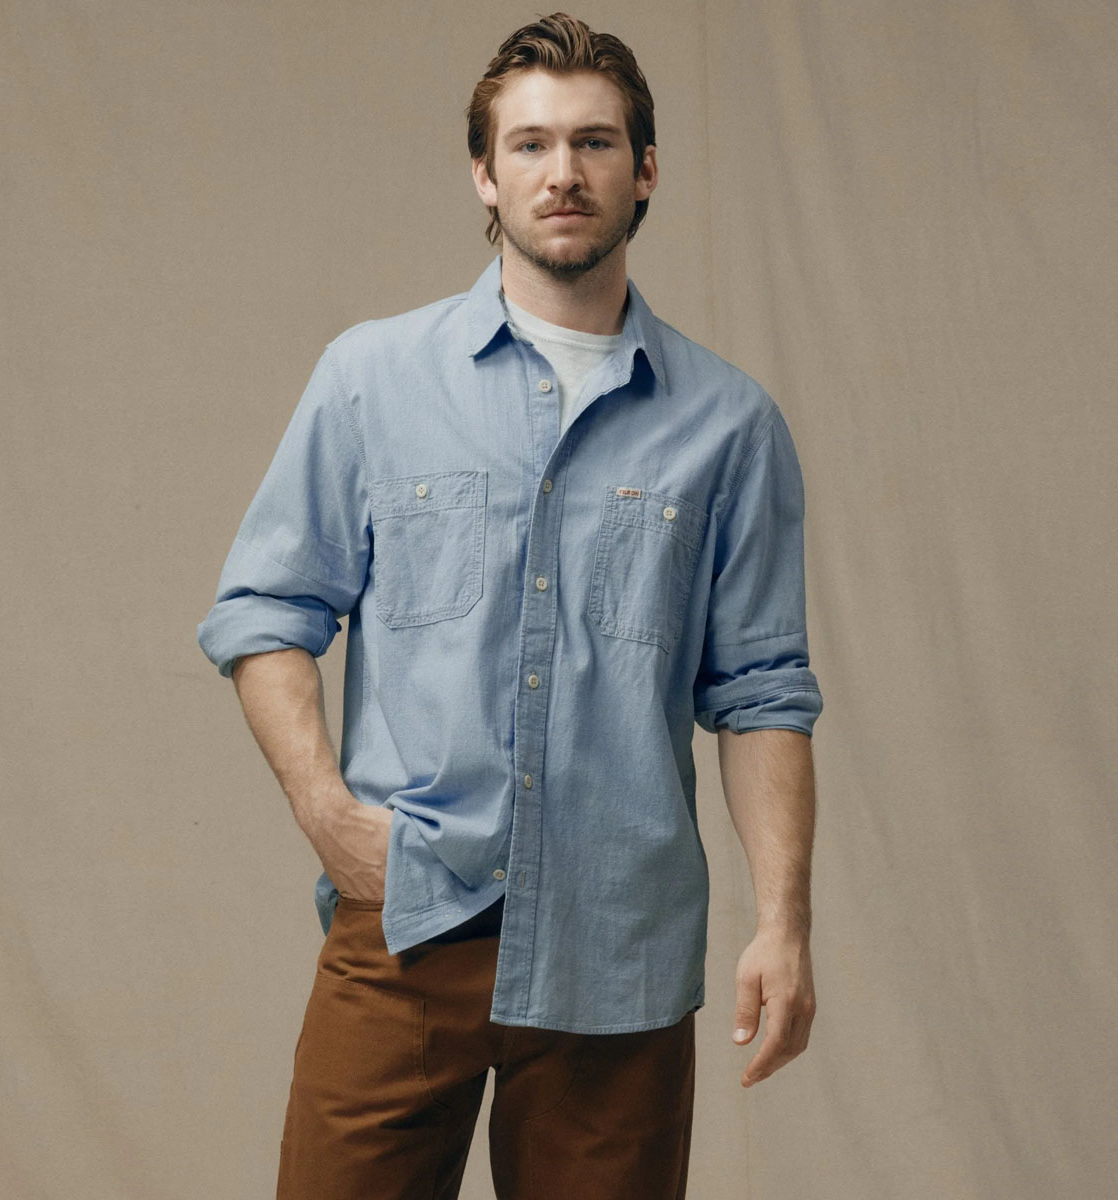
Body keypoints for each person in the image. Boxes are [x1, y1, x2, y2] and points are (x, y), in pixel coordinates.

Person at [197, 12, 822, 1199]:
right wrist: (326, 813)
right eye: (530, 144)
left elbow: (761, 696)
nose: (562, 172)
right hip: (407, 927)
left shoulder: (730, 425)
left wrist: (784, 924)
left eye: (595, 142)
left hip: (619, 954)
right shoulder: (372, 379)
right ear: (484, 174)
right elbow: (265, 609)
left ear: (645, 170)